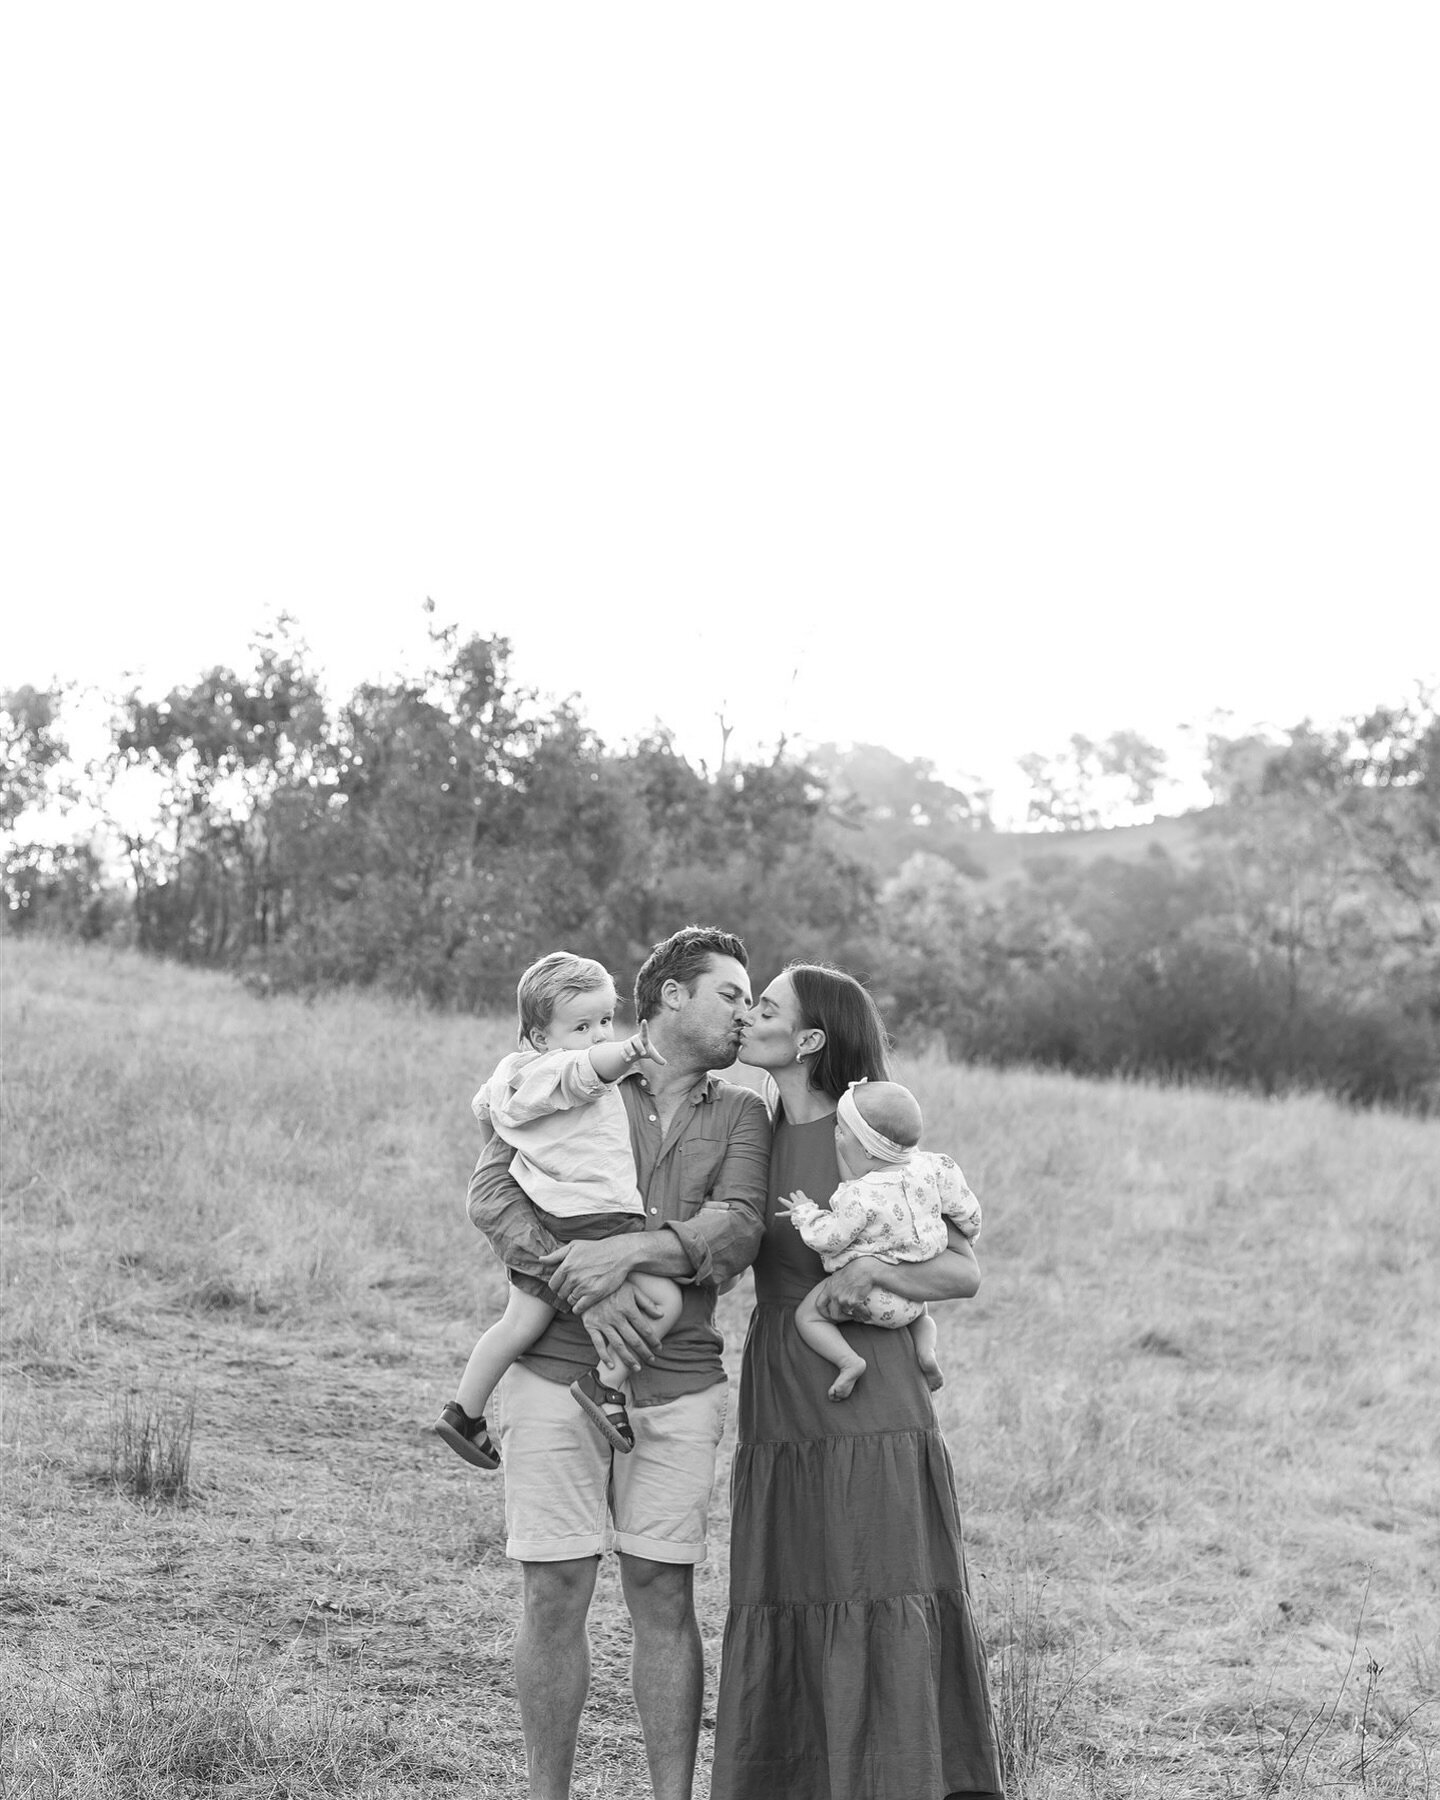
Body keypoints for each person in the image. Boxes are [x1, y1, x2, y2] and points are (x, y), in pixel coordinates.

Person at [465, 925, 769, 1800]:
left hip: (679, 1383)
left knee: (663, 1594)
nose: (745, 1012)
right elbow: (491, 1192)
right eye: (732, 995)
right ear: (672, 996)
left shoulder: (743, 1112)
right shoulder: (577, 1071)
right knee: (555, 1591)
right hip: (554, 1371)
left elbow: (739, 1227)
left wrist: (627, 1258)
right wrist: (583, 1289)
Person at [711, 962, 1004, 1800]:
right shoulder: (747, 1127)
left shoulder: (865, 1130)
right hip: (779, 1380)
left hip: (866, 1386)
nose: (747, 1016)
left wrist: (869, 1266)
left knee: (873, 1579)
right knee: (793, 1583)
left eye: (763, 1007)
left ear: (806, 1039)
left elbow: (962, 1272)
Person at [433, 951, 683, 1471]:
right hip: (597, 1217)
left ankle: (464, 1411)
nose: (598, 1035)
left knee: (520, 1321)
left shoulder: (511, 1074)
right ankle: (606, 1386)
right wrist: (629, 1049)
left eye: (606, 1021)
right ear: (541, 1038)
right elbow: (591, 1067)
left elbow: (485, 1112)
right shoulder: (567, 1067)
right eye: (582, 1025)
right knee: (663, 1299)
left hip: (546, 1214)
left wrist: (520, 1161)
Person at [779, 1077, 982, 1401]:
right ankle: (926, 1352)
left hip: (868, 1298)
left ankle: (848, 1362)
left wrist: (805, 1214)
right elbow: (967, 1210)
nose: (836, 1135)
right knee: (924, 1317)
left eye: (842, 1131)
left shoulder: (860, 1195)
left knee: (808, 1315)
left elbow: (829, 1239)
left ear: (868, 1150)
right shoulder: (936, 1166)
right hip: (912, 1301)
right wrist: (969, 1232)